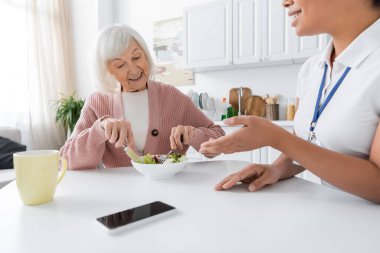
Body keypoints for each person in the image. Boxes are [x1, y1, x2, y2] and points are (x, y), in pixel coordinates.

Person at [200, 0, 380, 203]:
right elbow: (306, 142)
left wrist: (277, 137)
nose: (285, 2)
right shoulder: (312, 68)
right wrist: (277, 168)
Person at [60, 24, 224, 170]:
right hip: (121, 197)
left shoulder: (172, 96)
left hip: (170, 193)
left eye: (137, 57)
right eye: (120, 65)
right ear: (107, 70)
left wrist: (194, 134)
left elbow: (219, 138)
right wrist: (100, 129)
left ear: (146, 54)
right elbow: (65, 160)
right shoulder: (98, 101)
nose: (133, 69)